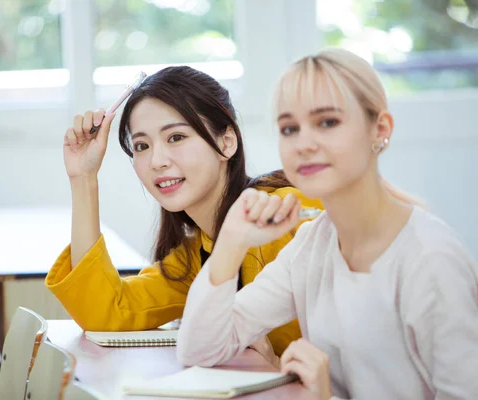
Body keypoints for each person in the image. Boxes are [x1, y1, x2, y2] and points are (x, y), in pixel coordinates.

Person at [176, 48, 478, 399]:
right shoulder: (312, 242)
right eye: (289, 128)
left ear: (379, 129)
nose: (304, 144)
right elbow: (200, 349)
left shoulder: (429, 259)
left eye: (327, 122)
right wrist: (230, 241)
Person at [45, 66, 323, 360]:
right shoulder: (196, 259)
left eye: (176, 137)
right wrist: (83, 178)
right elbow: (106, 313)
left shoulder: (288, 212)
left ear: (226, 143)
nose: (157, 161)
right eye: (141, 146)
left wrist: (276, 365)